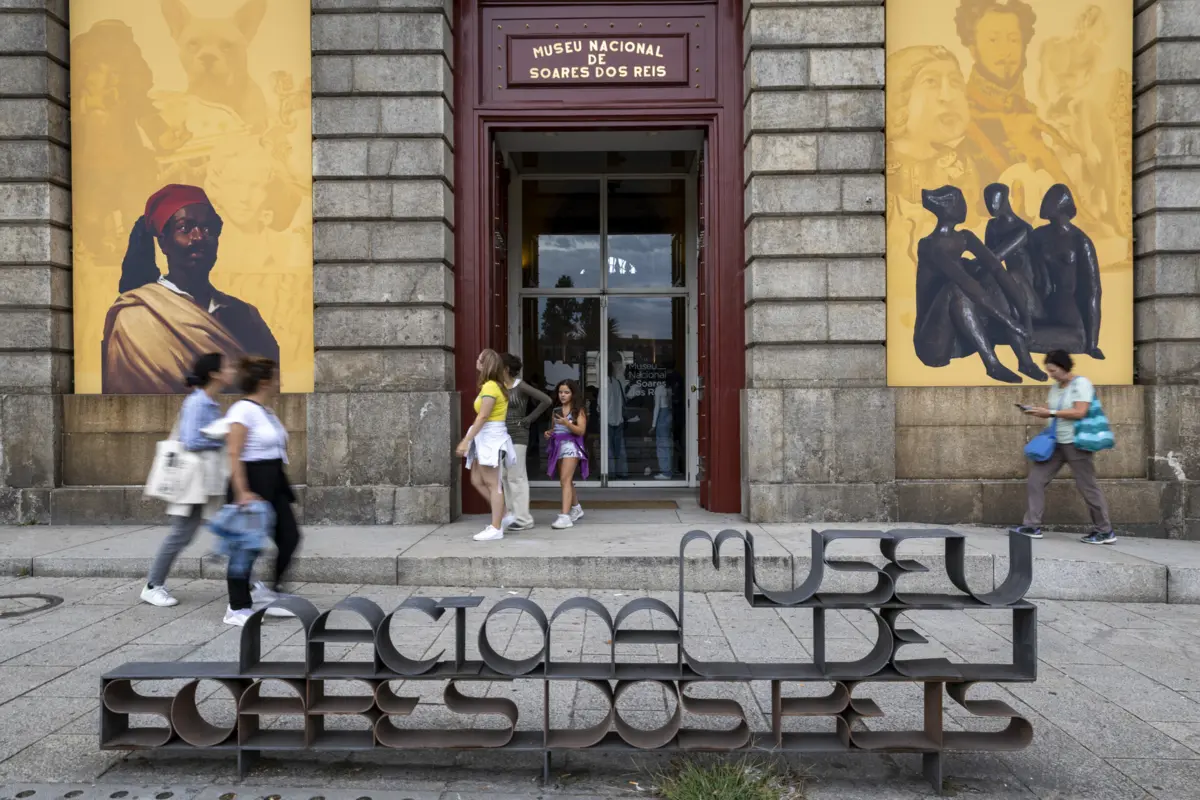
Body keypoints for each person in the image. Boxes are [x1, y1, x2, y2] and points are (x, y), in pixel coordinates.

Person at [101, 183, 280, 394]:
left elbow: (270, 384)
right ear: (163, 243)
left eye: (207, 229)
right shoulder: (134, 319)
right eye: (185, 228)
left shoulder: (246, 315)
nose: (199, 237)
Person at [140, 352, 235, 607]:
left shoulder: (209, 402)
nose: (231, 370)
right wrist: (223, 436)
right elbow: (191, 441)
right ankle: (152, 585)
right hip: (194, 480)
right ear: (214, 374)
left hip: (205, 479)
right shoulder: (199, 403)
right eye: (227, 366)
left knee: (203, 530)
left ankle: (249, 582)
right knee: (183, 533)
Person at [913, 186, 1035, 383]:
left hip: (961, 341)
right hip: (934, 344)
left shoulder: (965, 238)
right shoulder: (929, 245)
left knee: (993, 278)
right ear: (948, 207)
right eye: (960, 201)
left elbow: (998, 269)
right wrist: (1010, 322)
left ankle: (1024, 361)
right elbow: (966, 283)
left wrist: (1025, 318)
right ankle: (992, 364)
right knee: (957, 289)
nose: (965, 206)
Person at [224, 357, 301, 626]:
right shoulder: (241, 411)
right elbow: (234, 453)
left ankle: (268, 591)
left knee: (289, 536)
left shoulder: (265, 411)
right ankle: (237, 607)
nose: (280, 381)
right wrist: (242, 491)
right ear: (264, 381)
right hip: (252, 480)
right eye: (276, 377)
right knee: (246, 547)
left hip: (274, 480)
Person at [1011, 349, 1115, 544]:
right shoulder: (1056, 387)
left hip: (1076, 443)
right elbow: (1056, 410)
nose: (1051, 374)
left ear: (1064, 367)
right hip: (1056, 443)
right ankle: (1032, 525)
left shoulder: (1081, 384)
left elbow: (1079, 412)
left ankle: (1104, 530)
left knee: (1087, 486)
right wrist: (1037, 411)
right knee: (1036, 480)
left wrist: (1049, 413)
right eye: (1049, 371)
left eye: (1053, 370)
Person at [457, 349, 517, 542]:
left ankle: (496, 527)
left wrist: (466, 441)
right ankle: (504, 514)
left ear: (485, 364)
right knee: (476, 479)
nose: (476, 361)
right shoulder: (491, 386)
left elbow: (483, 417)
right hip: (485, 438)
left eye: (479, 359)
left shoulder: (491, 387)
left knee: (493, 484)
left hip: (491, 438)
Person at [501, 353, 552, 532]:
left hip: (518, 434)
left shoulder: (519, 385)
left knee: (517, 476)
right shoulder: (497, 386)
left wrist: (529, 419)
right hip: (500, 435)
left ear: (506, 368)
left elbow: (546, 400)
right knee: (504, 476)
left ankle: (524, 519)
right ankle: (511, 515)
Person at [545, 379, 588, 530]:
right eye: (560, 392)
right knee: (566, 481)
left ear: (573, 394)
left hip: (571, 446)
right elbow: (554, 428)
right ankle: (576, 508)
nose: (563, 395)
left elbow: (581, 431)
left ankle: (564, 516)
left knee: (565, 479)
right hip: (558, 446)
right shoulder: (556, 410)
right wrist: (549, 433)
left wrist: (568, 424)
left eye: (566, 392)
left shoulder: (578, 411)